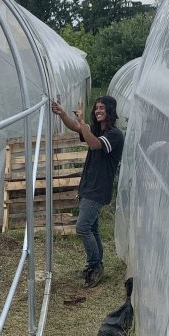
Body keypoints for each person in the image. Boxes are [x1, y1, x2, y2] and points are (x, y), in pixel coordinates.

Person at [50, 94, 124, 287]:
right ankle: (97, 264)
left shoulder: (114, 135)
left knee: (82, 227)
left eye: (102, 108)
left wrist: (82, 122)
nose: (98, 111)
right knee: (92, 228)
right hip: (88, 186)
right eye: (96, 108)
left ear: (110, 111)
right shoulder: (97, 130)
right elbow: (76, 128)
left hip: (98, 189)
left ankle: (95, 266)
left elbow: (94, 144)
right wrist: (63, 114)